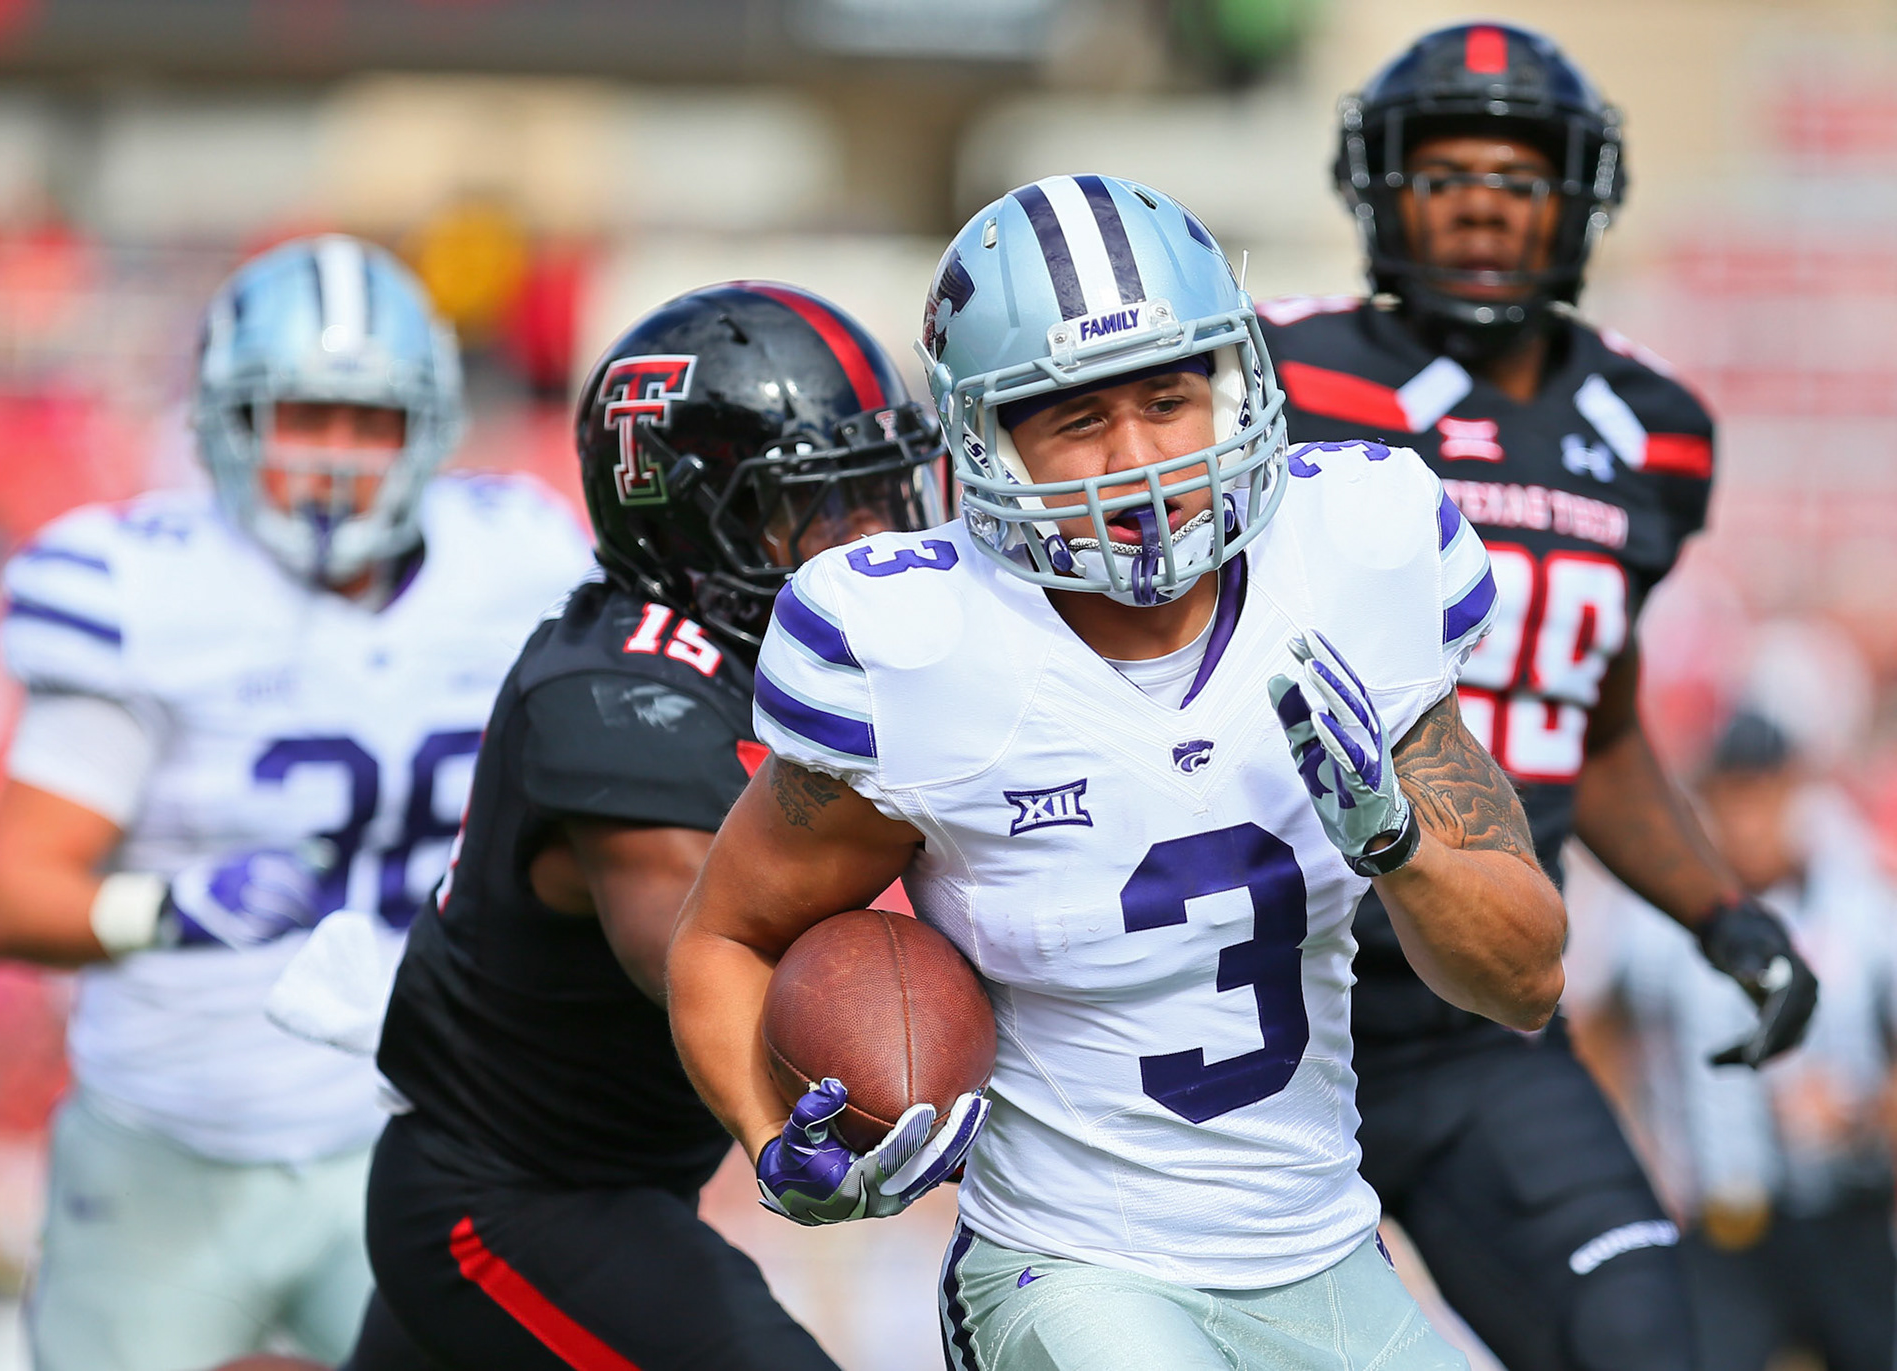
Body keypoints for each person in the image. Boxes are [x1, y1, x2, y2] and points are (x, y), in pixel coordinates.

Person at [666, 175, 1566, 1371]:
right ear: (988, 438)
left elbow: (1525, 983)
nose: (1139, 459)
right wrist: (772, 1139)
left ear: (1234, 384)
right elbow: (723, 937)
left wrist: (1398, 842)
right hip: (1073, 1267)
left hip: (1325, 1251)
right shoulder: (919, 650)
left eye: (1167, 400)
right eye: (1079, 418)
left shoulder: (1357, 550)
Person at [1257, 23, 1820, 1371]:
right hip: (1255, 1003)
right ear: (1380, 189)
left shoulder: (1653, 426)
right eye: (1445, 171)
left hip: (1480, 1013)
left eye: (1516, 176)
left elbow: (1594, 722)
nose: (1482, 204)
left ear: (1578, 199)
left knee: (1637, 1336)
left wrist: (1721, 912)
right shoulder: (1274, 377)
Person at [0, 234, 590, 1371]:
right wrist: (170, 910)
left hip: (416, 1126)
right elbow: (11, 897)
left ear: (431, 427)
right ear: (226, 422)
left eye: (373, 420)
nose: (338, 457)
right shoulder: (141, 590)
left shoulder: (513, 560)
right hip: (168, 1141)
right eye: (304, 415)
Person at [342, 281, 950, 1371]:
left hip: (610, 1183)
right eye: (821, 507)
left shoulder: (794, 662)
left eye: (882, 492)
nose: (874, 542)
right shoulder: (613, 693)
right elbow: (698, 946)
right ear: (686, 517)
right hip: (507, 1198)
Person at [1593, 708, 1897, 1371]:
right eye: (1735, 797)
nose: (1750, 821)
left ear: (1795, 792)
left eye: (1765, 795)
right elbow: (1601, 1028)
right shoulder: (1663, 915)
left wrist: (1862, 1109)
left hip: (1844, 1211)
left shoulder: (1861, 909)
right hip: (1722, 1221)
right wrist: (1632, 1149)